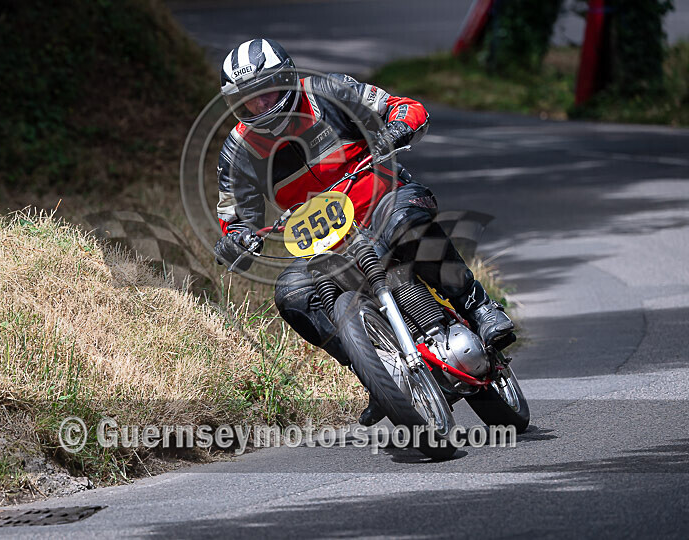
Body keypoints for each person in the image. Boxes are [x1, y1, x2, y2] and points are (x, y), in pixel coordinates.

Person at [213, 38, 515, 426]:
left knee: (406, 224)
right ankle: (377, 375)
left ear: (288, 80)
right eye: (248, 100)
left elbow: (405, 109)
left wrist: (396, 129)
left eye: (268, 92)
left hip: (383, 200)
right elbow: (235, 216)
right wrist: (236, 237)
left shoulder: (330, 93)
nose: (260, 106)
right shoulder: (239, 149)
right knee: (292, 294)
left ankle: (477, 305)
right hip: (323, 242)